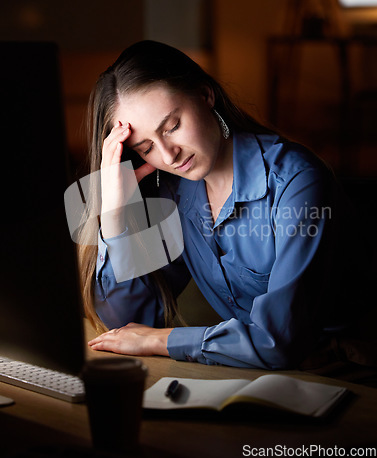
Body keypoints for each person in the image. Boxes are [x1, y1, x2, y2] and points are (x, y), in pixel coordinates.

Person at [79, 40, 370, 371]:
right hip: (259, 378)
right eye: (146, 148)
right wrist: (115, 216)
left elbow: (278, 341)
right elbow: (132, 325)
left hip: (350, 377)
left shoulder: (298, 181)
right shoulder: (174, 193)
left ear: (205, 95)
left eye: (172, 126)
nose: (168, 154)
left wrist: (162, 340)